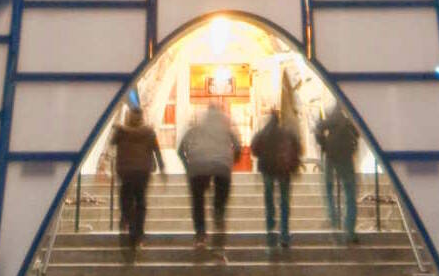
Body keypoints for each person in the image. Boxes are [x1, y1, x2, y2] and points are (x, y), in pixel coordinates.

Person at [177, 103, 240, 254]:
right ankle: (218, 223)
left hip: (198, 166)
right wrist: (230, 162)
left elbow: (181, 149)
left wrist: (188, 166)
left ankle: (200, 234)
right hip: (222, 166)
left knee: (198, 200)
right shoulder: (226, 128)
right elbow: (238, 147)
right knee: (219, 203)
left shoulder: (197, 127)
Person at [109, 105, 164, 257]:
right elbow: (157, 151)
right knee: (140, 202)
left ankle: (126, 221)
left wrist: (118, 128)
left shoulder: (121, 131)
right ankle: (138, 234)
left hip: (125, 171)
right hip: (142, 172)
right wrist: (162, 168)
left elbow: (112, 142)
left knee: (125, 200)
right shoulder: (148, 132)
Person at [250, 109, 301, 251]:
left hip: (267, 169)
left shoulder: (262, 134)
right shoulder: (286, 133)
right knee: (284, 202)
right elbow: (297, 148)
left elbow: (254, 149)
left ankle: (270, 228)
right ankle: (284, 234)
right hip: (284, 170)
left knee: (269, 200)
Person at [313, 104, 360, 244]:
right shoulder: (348, 121)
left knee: (328, 188)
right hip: (345, 157)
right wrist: (352, 149)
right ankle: (349, 229)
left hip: (330, 156)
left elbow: (317, 131)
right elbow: (357, 135)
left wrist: (324, 145)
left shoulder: (328, 121)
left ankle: (333, 220)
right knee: (350, 192)